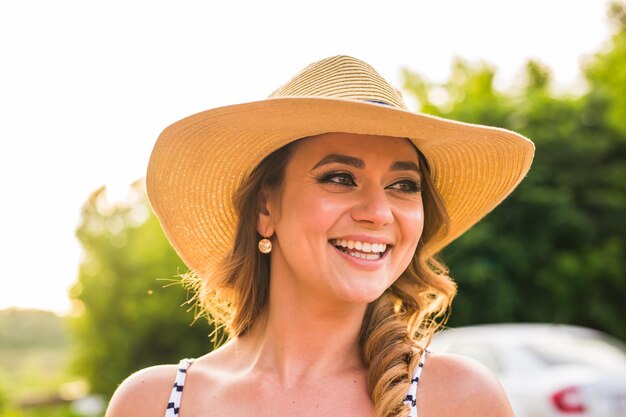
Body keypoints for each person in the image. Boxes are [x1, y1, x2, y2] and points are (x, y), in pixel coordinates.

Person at [105, 55, 534, 417]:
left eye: (404, 185)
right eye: (341, 178)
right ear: (266, 208)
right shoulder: (153, 403)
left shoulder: (459, 399)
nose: (379, 212)